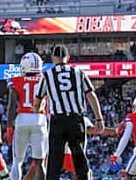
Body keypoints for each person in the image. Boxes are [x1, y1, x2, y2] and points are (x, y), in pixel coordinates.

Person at [33, 44, 104, 180]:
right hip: (76, 120)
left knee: (54, 162)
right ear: (68, 57)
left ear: (53, 58)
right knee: (80, 159)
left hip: (57, 121)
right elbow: (91, 95)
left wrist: (36, 111)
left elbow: (37, 101)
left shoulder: (47, 75)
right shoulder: (79, 73)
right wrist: (99, 118)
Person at [8, 53, 47, 180]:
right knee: (39, 162)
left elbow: (12, 104)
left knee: (17, 160)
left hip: (22, 119)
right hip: (40, 119)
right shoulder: (45, 80)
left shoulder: (16, 80)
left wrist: (9, 126)